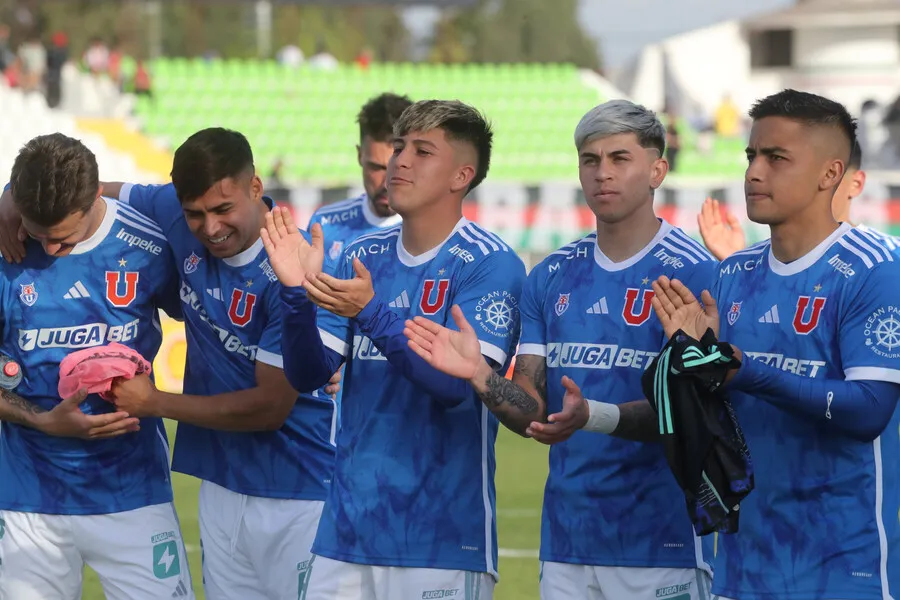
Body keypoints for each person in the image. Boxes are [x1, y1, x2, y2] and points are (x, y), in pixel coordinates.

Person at [402, 100, 717, 600]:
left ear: (658, 170)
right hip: (566, 546)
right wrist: (480, 375)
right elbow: (532, 409)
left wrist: (593, 416)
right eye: (590, 160)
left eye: (619, 158)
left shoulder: (695, 272)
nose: (602, 173)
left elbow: (689, 408)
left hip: (663, 546)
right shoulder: (552, 274)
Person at [609, 89, 900, 598]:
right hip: (742, 569)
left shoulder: (876, 269)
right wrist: (693, 363)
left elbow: (870, 411)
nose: (754, 173)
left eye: (776, 158)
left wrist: (745, 370)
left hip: (844, 570)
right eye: (751, 155)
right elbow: (711, 416)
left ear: (830, 173)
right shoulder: (733, 274)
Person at [262, 99, 525, 599]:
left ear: (461, 176)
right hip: (346, 531)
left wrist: (372, 313)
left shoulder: (491, 264)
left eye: (422, 151)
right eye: (400, 146)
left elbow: (455, 388)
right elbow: (308, 374)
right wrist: (295, 295)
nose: (400, 160)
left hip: (440, 539)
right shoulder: (362, 255)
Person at [100, 128, 337, 600]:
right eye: (195, 214)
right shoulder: (170, 207)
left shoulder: (295, 268)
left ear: (255, 187)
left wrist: (155, 402)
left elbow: (269, 407)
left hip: (300, 489)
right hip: (221, 483)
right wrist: (10, 201)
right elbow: (88, 191)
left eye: (223, 209)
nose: (210, 228)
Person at [0, 133, 192, 599]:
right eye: (38, 234)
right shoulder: (6, 246)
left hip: (134, 490)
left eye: (62, 238)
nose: (49, 249)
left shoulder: (149, 243)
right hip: (27, 497)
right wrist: (42, 420)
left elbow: (211, 318)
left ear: (94, 198)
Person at [698, 140, 883, 259]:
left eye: (828, 176)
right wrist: (736, 262)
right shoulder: (756, 263)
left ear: (856, 184)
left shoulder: (887, 260)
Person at [309, 92, 412, 274]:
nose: (386, 184)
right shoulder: (324, 225)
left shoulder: (438, 235)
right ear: (359, 156)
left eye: (398, 167)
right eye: (376, 168)